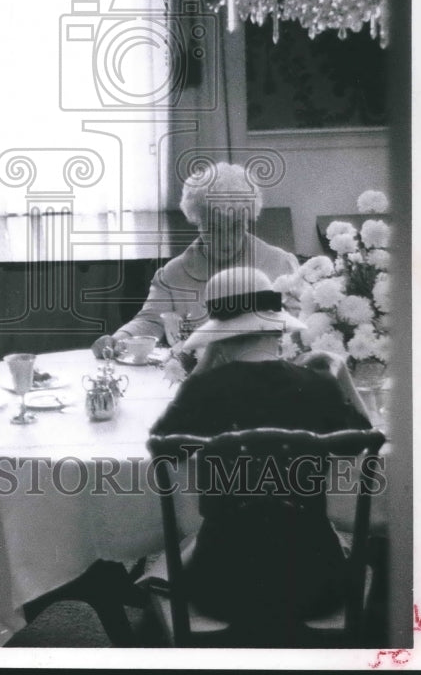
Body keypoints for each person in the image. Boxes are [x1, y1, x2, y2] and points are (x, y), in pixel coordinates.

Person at [150, 266, 372, 630]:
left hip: (221, 586)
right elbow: (358, 445)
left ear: (220, 337)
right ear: (277, 327)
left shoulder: (205, 389)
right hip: (316, 582)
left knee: (181, 561)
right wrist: (340, 377)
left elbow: (165, 447)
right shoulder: (317, 385)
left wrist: (201, 372)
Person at [92, 161, 300, 358]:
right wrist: (118, 339)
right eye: (215, 230)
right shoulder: (173, 274)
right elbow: (150, 321)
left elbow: (299, 324)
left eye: (236, 227)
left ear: (248, 221)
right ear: (198, 222)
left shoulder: (279, 263)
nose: (227, 241)